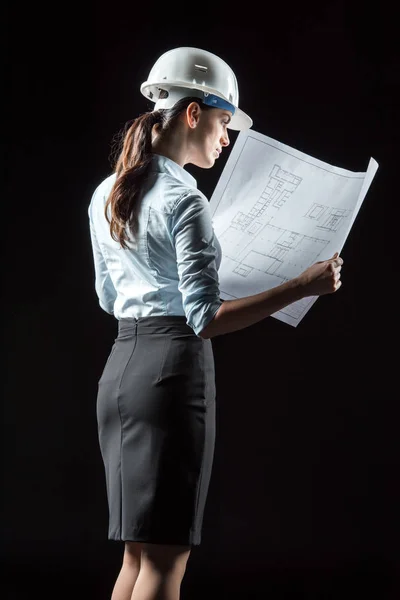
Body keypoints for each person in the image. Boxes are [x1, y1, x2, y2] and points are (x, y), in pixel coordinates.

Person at [87, 47, 343, 600]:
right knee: (165, 563)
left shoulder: (105, 192)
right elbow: (203, 319)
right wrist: (301, 286)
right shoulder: (186, 199)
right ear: (194, 113)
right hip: (171, 376)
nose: (227, 138)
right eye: (226, 121)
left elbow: (111, 297)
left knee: (136, 557)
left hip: (119, 374)